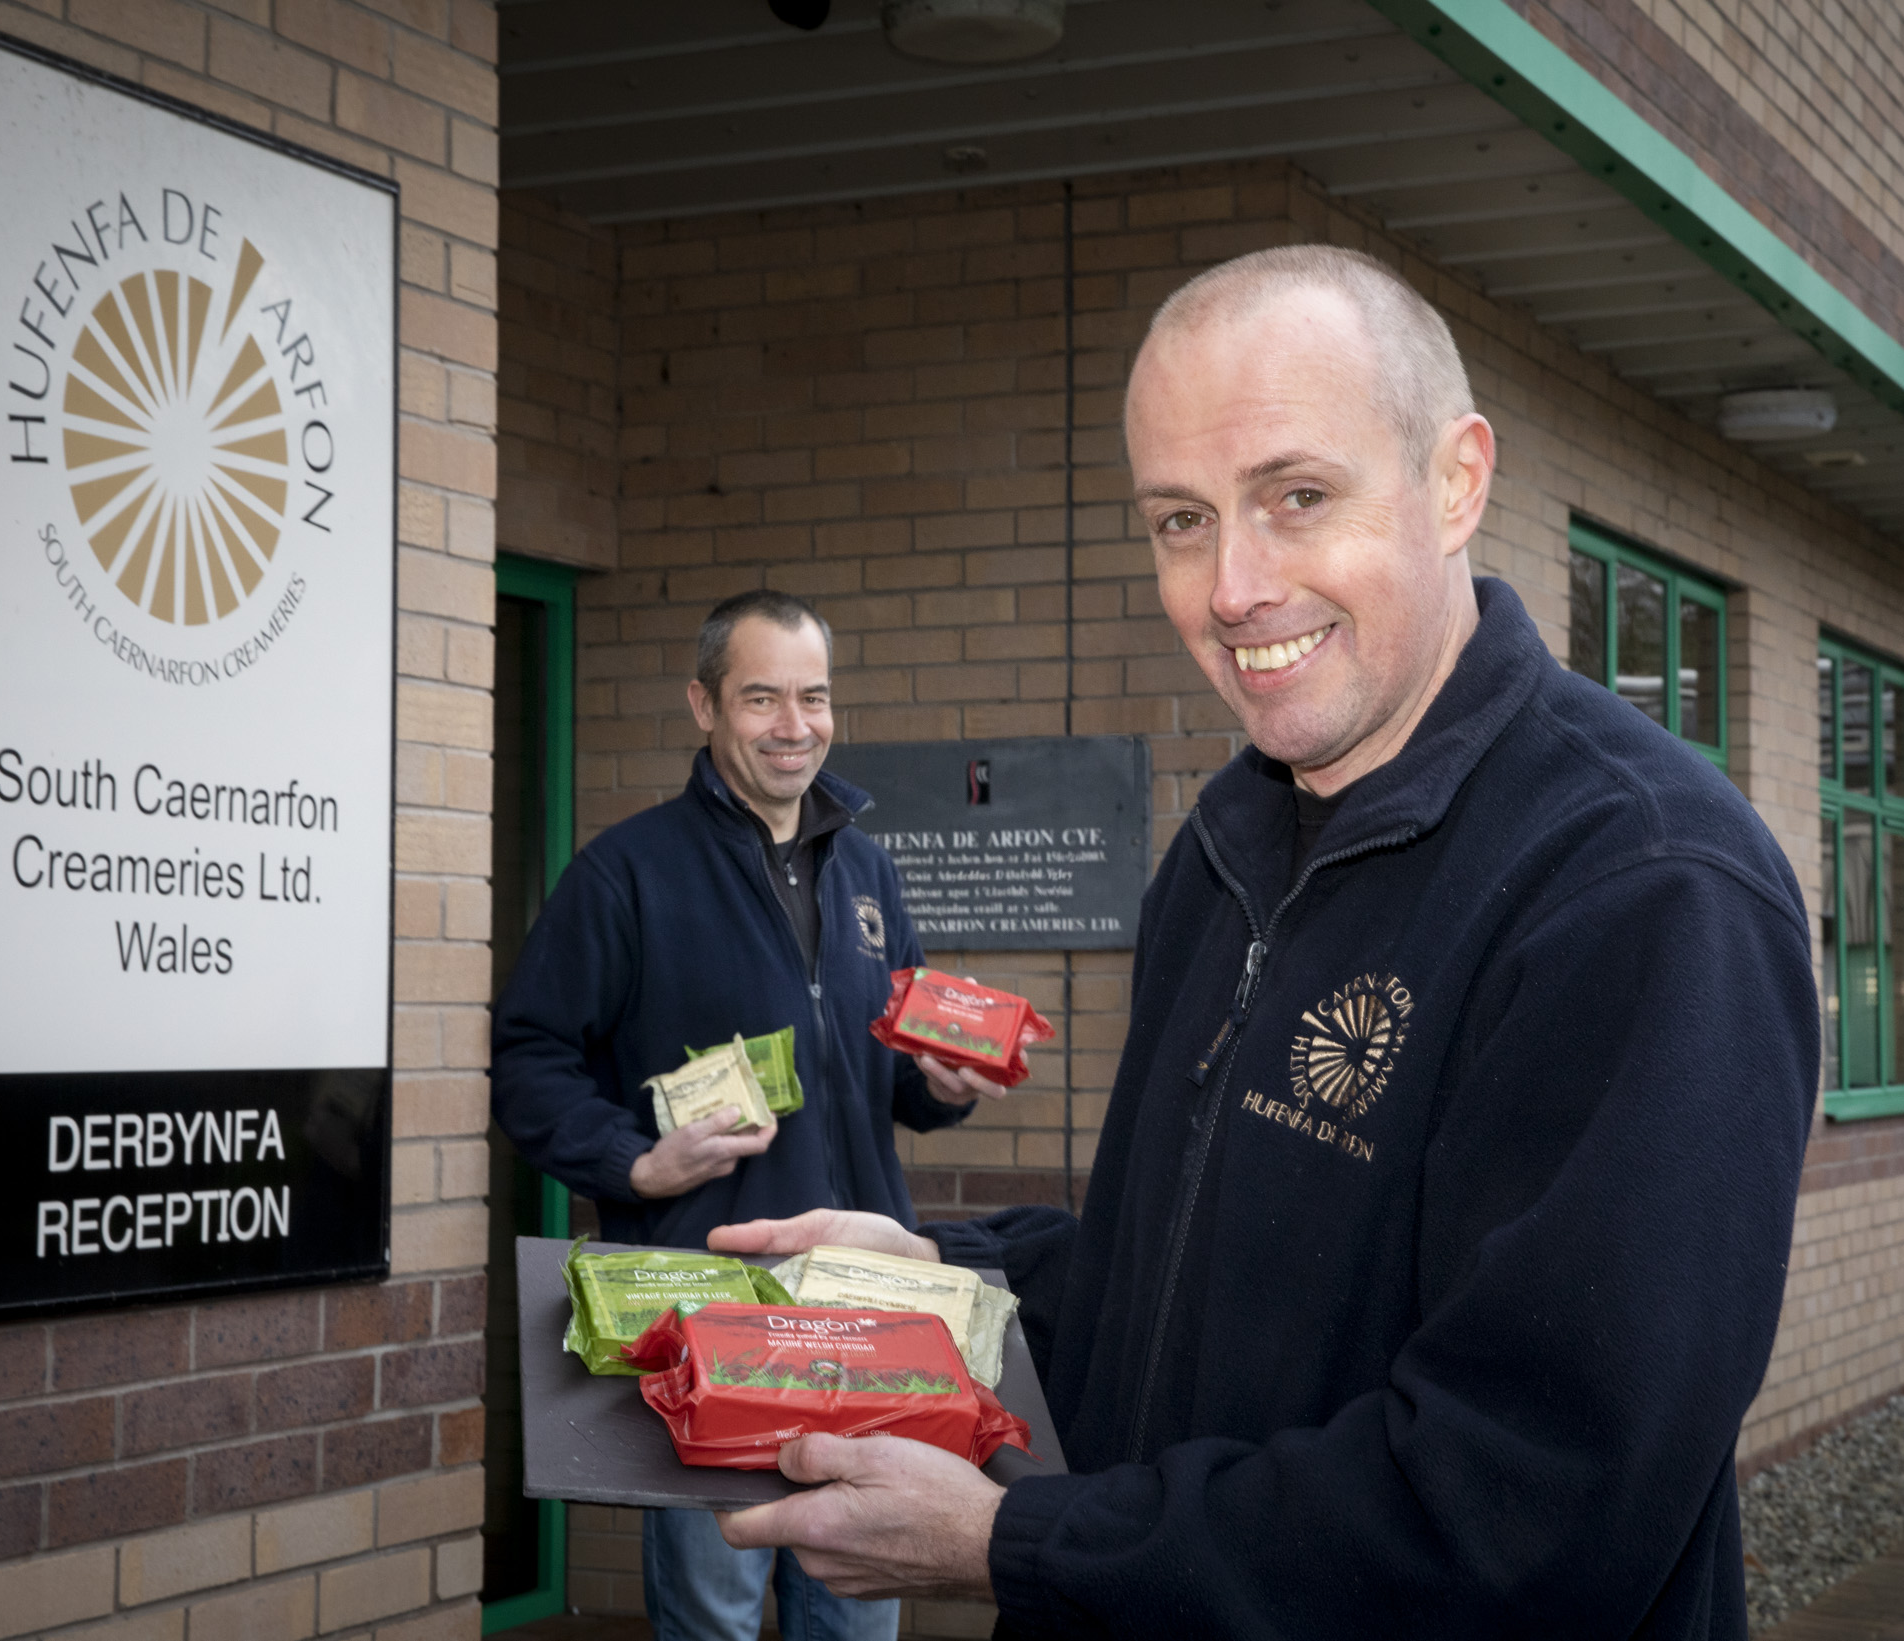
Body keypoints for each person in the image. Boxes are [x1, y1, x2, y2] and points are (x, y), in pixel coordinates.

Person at [707, 246, 1820, 1638]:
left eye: (1297, 498)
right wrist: (946, 1283)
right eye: (1181, 519)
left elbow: (1526, 1506)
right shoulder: (1230, 848)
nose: (1232, 587)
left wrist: (1023, 1542)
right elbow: (1197, 1281)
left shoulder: (1646, 890)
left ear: (1457, 479)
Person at [491, 588, 1007, 1641]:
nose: (793, 724)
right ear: (704, 706)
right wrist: (636, 1164)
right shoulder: (626, 873)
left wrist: (938, 1088)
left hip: (864, 1311)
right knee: (714, 1615)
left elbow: (884, 1073)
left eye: (812, 697)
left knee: (857, 1607)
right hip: (707, 1314)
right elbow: (527, 1060)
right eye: (761, 697)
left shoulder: (866, 870)